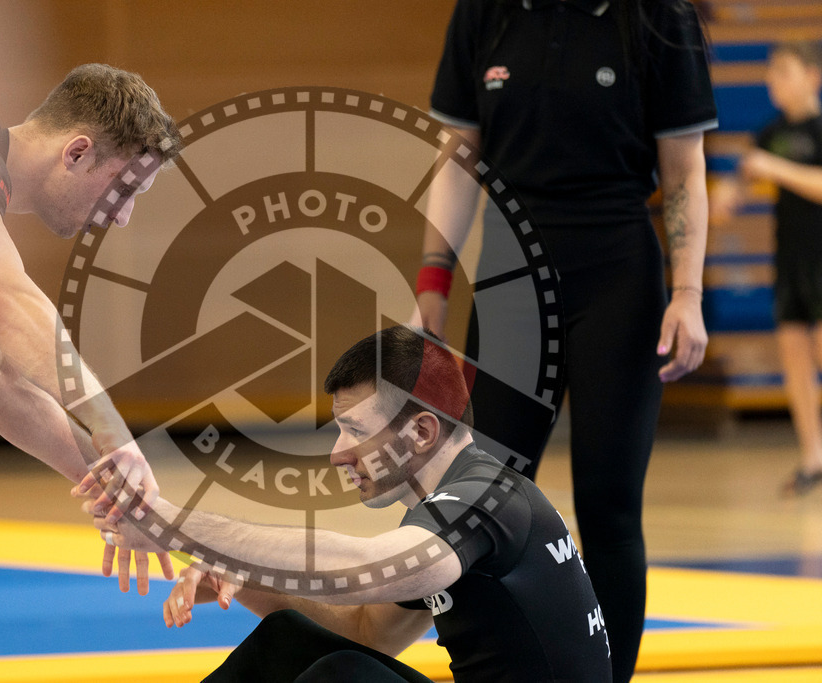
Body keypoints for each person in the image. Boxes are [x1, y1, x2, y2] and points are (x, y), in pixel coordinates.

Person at [410, 1, 717, 680]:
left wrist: (688, 292)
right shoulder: (485, 15)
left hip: (618, 275)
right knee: (482, 496)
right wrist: (433, 279)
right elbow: (457, 157)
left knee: (607, 505)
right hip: (509, 276)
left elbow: (685, 169)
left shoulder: (660, 18)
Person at [80, 326, 613, 682]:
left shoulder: (480, 503)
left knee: (344, 679)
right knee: (292, 639)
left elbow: (362, 569)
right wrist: (248, 576)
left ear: (422, 431)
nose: (338, 455)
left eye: (355, 431)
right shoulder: (464, 501)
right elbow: (365, 633)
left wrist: (171, 524)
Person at [0, 63, 183, 585]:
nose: (123, 216)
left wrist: (118, 491)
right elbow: (4, 301)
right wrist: (111, 430)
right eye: (125, 190)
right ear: (78, 152)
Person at [712, 41, 822, 496]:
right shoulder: (770, 132)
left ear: (813, 76)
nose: (773, 81)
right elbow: (739, 184)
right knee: (794, 358)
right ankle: (813, 457)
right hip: (790, 259)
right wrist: (725, 196)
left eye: (784, 71)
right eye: (771, 73)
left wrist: (772, 169)